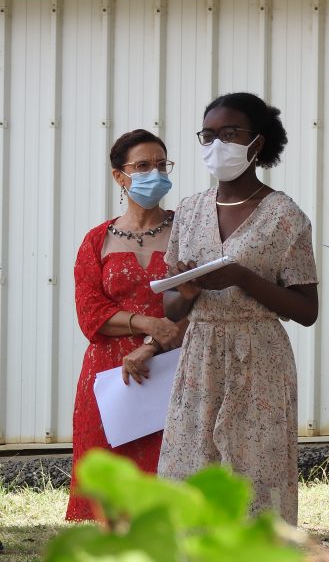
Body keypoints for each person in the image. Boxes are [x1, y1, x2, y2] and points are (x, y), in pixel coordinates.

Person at [157, 92, 318, 525]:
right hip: (200, 357)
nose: (217, 145)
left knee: (256, 473)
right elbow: (172, 308)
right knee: (192, 471)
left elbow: (307, 310)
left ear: (257, 143)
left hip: (259, 357)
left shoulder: (285, 215)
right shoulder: (189, 211)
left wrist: (244, 277)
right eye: (208, 136)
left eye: (229, 134)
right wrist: (186, 291)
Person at [67, 129, 184, 521]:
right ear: (119, 176)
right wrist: (148, 322)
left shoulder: (186, 230)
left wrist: (155, 341)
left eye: (162, 165)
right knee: (109, 489)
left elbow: (201, 299)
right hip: (108, 376)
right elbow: (89, 311)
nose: (156, 173)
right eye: (143, 166)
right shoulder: (97, 240)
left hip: (171, 367)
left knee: (167, 479)